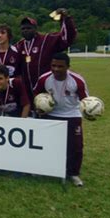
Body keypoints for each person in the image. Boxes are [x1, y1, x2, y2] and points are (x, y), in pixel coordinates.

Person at [34, 52, 88, 187]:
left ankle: (73, 173)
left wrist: (90, 111)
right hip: (51, 114)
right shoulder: (44, 79)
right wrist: (39, 107)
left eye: (60, 66)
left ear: (68, 67)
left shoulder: (77, 80)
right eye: (53, 66)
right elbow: (36, 94)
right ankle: (45, 169)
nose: (56, 69)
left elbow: (85, 101)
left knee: (75, 146)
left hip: (72, 115)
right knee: (46, 144)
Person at [15, 8, 77, 101]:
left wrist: (66, 20)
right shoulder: (19, 46)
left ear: (35, 29)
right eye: (23, 28)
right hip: (26, 89)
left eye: (29, 28)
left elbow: (67, 38)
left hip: (47, 87)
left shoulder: (47, 40)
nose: (26, 30)